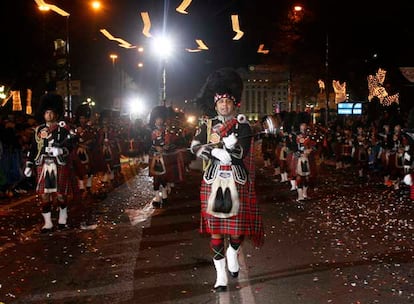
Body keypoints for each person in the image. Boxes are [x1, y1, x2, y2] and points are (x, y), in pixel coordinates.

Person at [190, 67, 264, 292]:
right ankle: (220, 275)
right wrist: (212, 152)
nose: (224, 106)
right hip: (213, 181)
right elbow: (194, 146)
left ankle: (233, 251)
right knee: (216, 229)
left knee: (236, 231)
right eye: (220, 102)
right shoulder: (208, 125)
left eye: (228, 102)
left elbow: (244, 151)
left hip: (236, 180)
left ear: (234, 103)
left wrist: (233, 148)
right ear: (215, 104)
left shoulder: (243, 125)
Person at [24, 93, 76, 233]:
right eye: (46, 112)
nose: (49, 115)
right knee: (44, 194)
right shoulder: (39, 130)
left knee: (60, 194)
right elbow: (33, 148)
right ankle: (47, 223)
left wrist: (62, 151)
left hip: (58, 163)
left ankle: (62, 219)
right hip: (44, 164)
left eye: (51, 112)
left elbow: (71, 144)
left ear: (56, 114)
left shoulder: (64, 129)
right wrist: (29, 164)